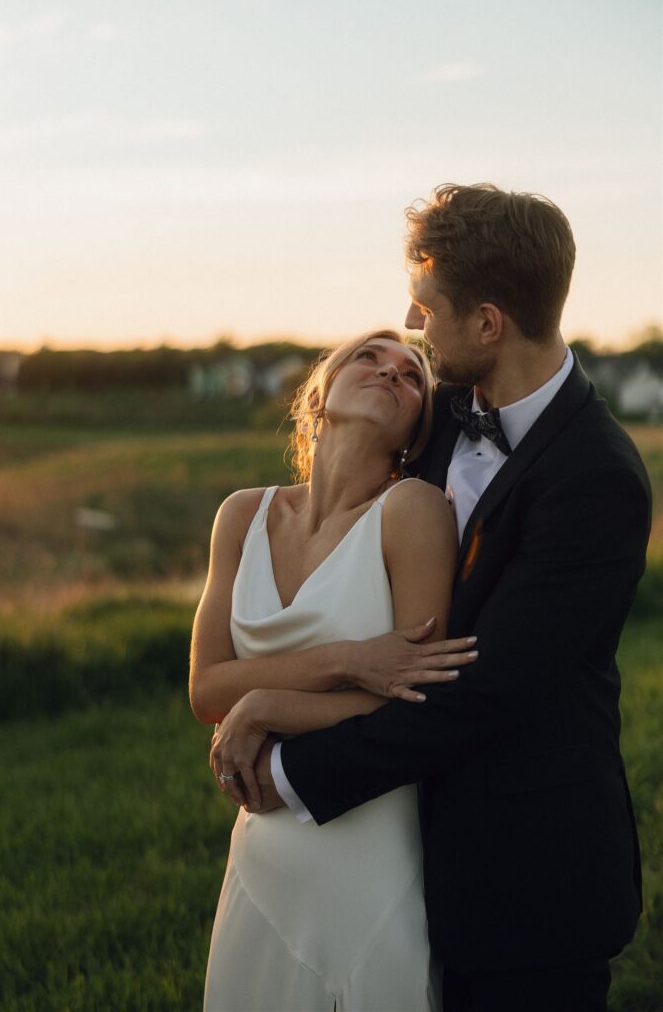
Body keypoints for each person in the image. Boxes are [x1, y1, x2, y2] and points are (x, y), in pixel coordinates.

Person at [224, 184, 652, 1012]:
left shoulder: (597, 479)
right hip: (398, 847)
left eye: (425, 310)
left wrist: (287, 765)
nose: (411, 329)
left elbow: (482, 692)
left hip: (528, 876)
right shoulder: (437, 412)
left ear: (487, 323)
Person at [190, 327, 476, 1011]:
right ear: (317, 398)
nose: (390, 371)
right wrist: (347, 661)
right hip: (263, 843)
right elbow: (207, 688)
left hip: (367, 841)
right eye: (367, 357)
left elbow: (415, 696)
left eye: (412, 376)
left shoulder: (411, 511)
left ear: (415, 431)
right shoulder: (242, 515)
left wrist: (261, 705)